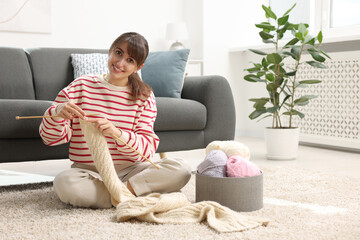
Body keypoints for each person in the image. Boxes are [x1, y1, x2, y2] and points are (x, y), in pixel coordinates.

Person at [39, 32, 191, 208]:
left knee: (182, 168)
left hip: (133, 172)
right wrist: (56, 113)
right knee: (64, 182)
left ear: (138, 67)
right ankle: (130, 195)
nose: (120, 63)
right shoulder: (80, 86)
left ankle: (117, 194)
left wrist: (117, 133)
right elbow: (51, 138)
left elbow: (147, 150)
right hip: (90, 172)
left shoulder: (144, 96)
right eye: (118, 53)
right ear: (110, 51)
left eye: (130, 60)